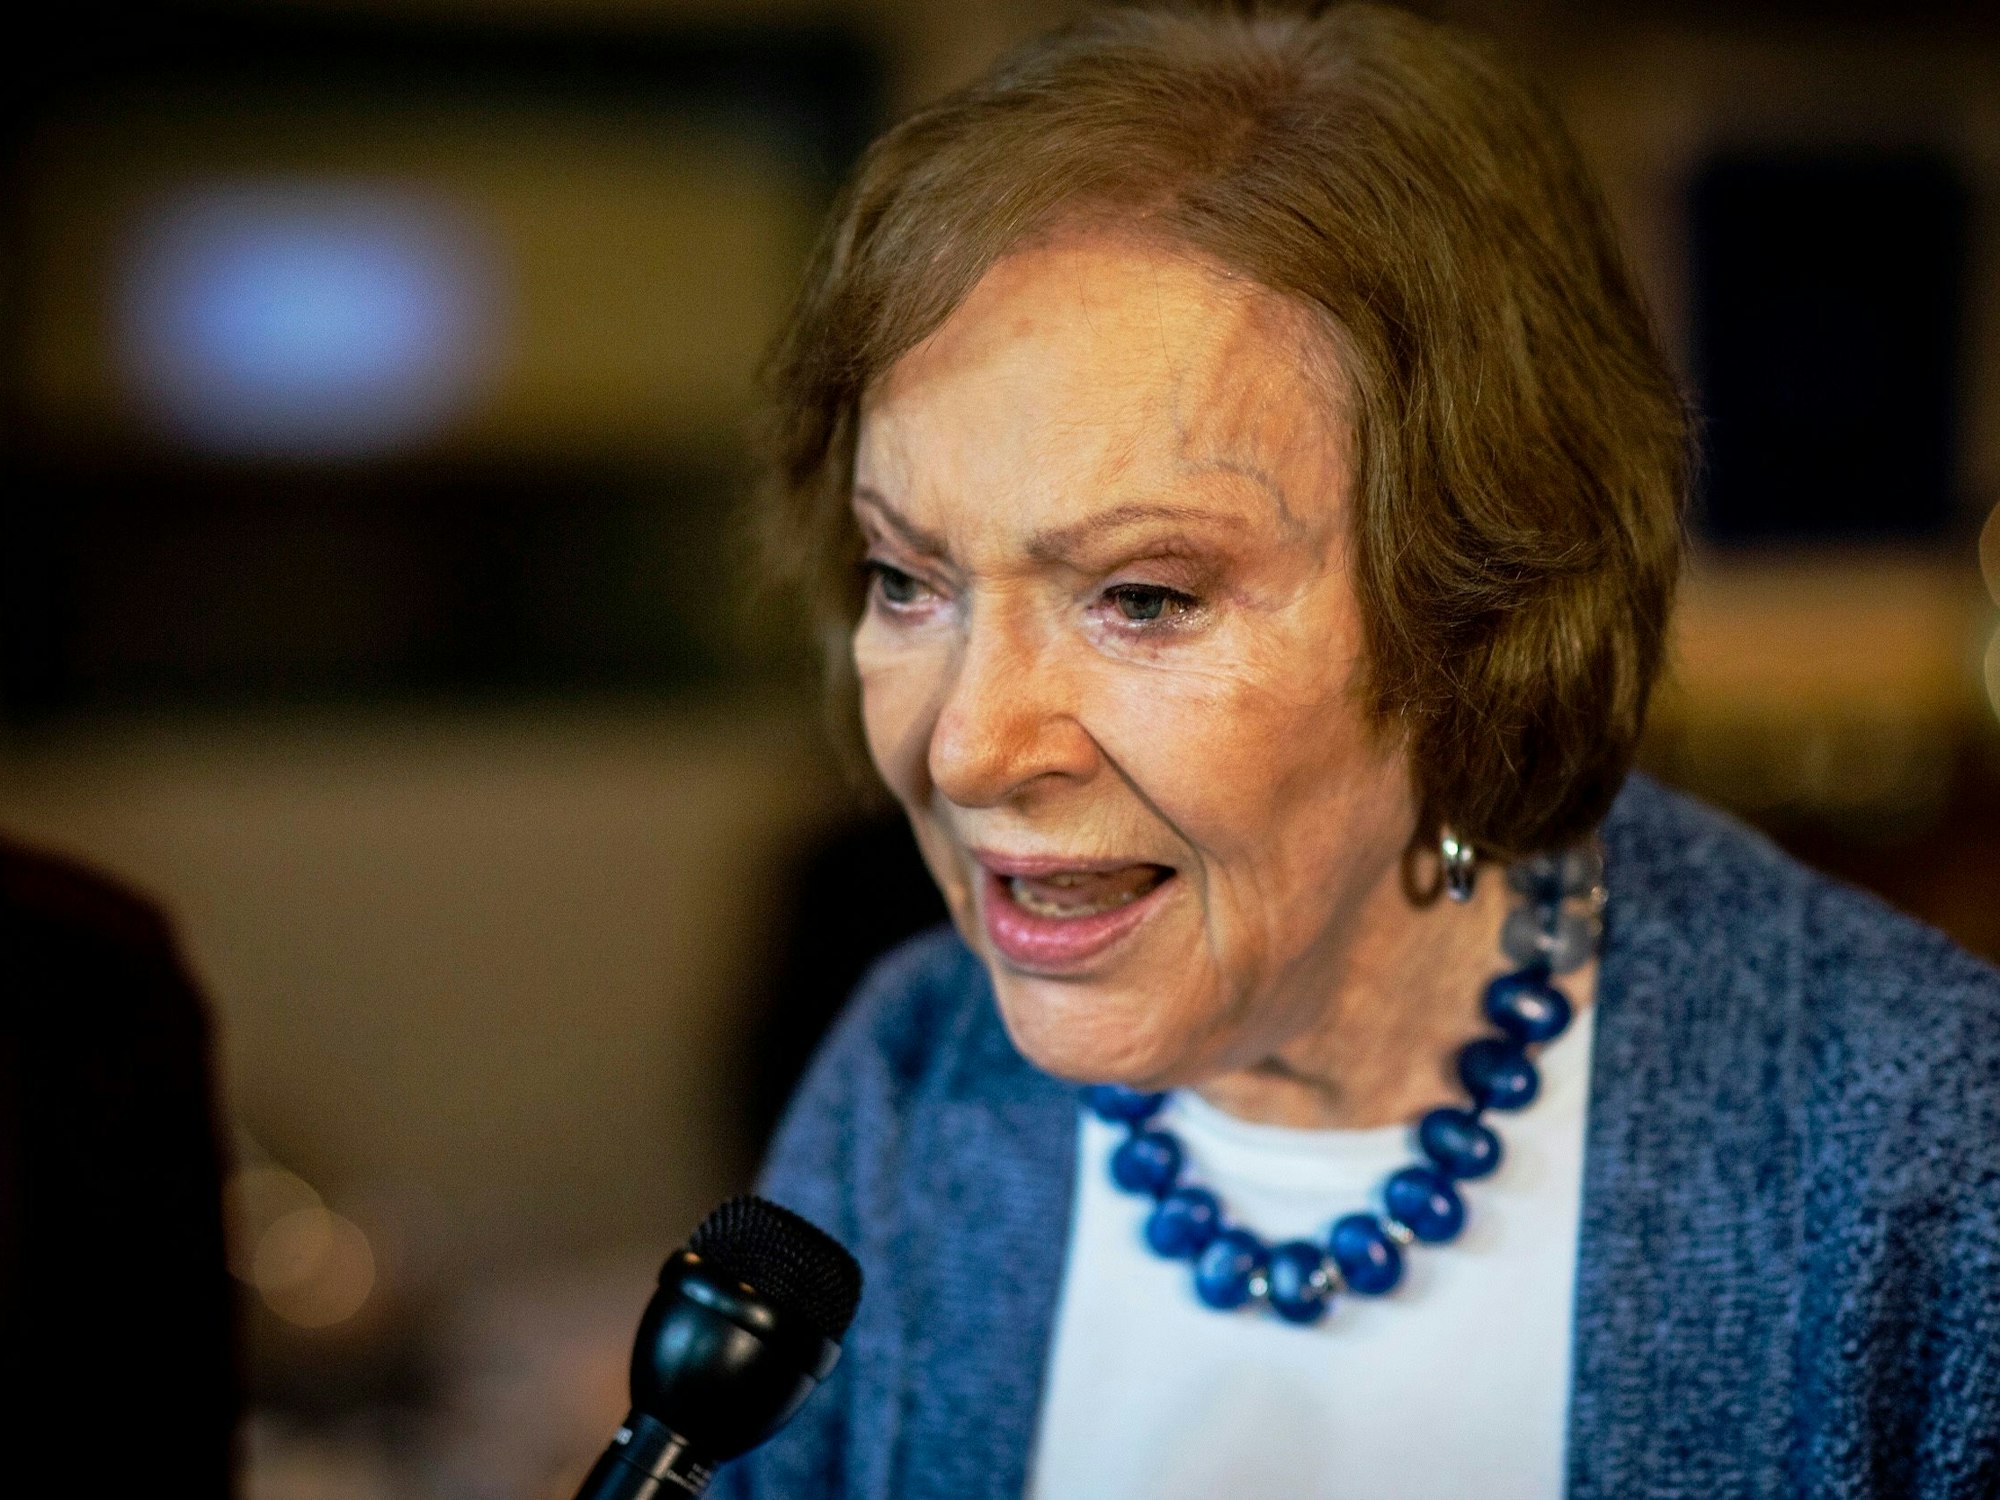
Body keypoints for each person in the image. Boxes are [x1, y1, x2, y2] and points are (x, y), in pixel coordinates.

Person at [715, 5, 2000, 1496]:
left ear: (1475, 620)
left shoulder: (1919, 1154)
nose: (965, 748)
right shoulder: (914, 1076)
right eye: (907, 579)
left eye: (1144, 597)